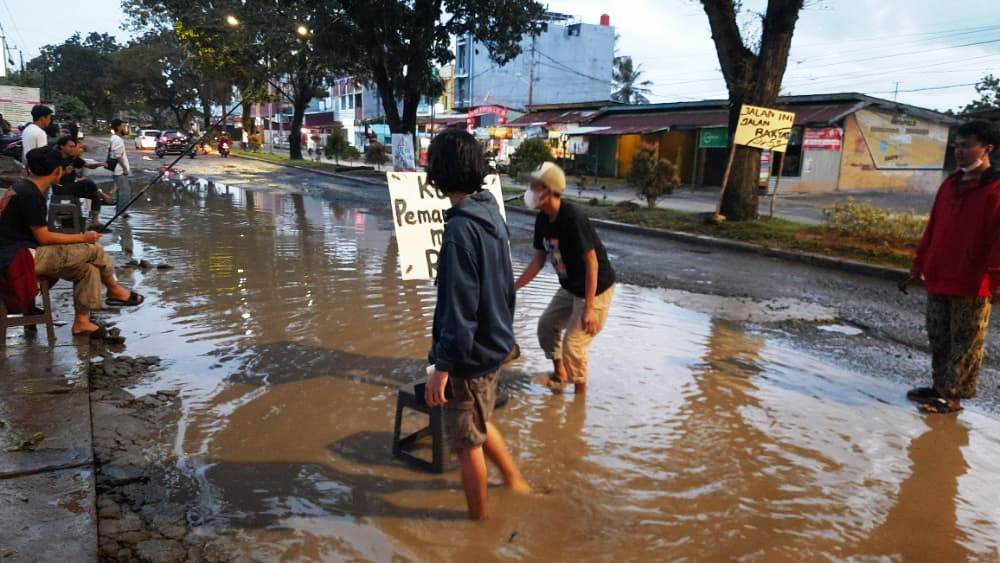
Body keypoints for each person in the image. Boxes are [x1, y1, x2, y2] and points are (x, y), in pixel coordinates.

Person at [423, 128, 529, 520]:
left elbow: (459, 309)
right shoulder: (491, 215)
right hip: (494, 347)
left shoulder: (459, 232)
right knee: (480, 422)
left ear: (440, 174)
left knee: (466, 446)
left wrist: (443, 368)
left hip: (468, 358)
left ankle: (477, 528)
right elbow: (502, 285)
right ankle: (515, 482)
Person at [902, 120, 1000, 414]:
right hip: (940, 275)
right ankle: (939, 387)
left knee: (966, 342)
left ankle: (953, 396)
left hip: (973, 282)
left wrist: (996, 280)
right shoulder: (950, 185)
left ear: (987, 149)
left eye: (967, 145)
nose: (959, 151)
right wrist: (918, 265)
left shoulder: (995, 189)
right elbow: (934, 228)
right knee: (939, 337)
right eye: (956, 145)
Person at [0, 147, 143, 335]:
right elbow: (44, 237)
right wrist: (84, 237)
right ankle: (114, 289)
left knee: (87, 269)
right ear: (57, 170)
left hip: (19, 253)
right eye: (64, 168)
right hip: (19, 259)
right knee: (94, 250)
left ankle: (82, 322)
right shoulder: (32, 194)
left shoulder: (21, 186)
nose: (67, 171)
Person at [515, 162, 616, 395]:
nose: (530, 190)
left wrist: (589, 308)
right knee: (546, 326)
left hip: (596, 288)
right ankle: (560, 375)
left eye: (534, 186)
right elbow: (538, 261)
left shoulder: (572, 217)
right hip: (571, 287)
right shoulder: (542, 219)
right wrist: (513, 288)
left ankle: (578, 402)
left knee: (574, 344)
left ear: (548, 190)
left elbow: (592, 262)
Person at [53, 136, 112, 229]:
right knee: (87, 182)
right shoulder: (55, 158)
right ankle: (103, 195)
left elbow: (88, 165)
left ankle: (94, 222)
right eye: (70, 146)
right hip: (60, 188)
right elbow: (51, 178)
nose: (73, 149)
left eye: (74, 146)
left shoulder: (71, 157)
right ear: (62, 147)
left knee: (94, 194)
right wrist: (64, 172)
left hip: (71, 187)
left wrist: (99, 164)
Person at [109, 119, 132, 217]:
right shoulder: (116, 139)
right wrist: (125, 168)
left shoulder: (115, 138)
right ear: (118, 127)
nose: (124, 128)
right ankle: (121, 213)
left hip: (118, 170)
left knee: (121, 192)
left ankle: (119, 212)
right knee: (125, 193)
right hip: (119, 171)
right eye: (123, 126)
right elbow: (118, 156)